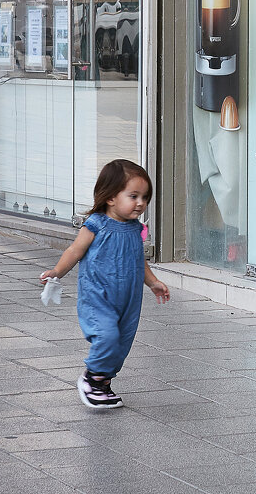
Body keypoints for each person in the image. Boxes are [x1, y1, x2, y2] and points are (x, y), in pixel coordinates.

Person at [40, 159, 170, 409]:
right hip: (98, 296)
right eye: (133, 196)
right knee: (107, 336)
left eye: (145, 197)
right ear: (111, 197)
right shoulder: (96, 225)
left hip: (129, 300)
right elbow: (75, 251)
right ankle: (91, 379)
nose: (141, 203)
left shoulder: (134, 229)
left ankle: (104, 383)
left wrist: (152, 282)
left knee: (122, 342)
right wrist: (57, 271)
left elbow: (137, 259)